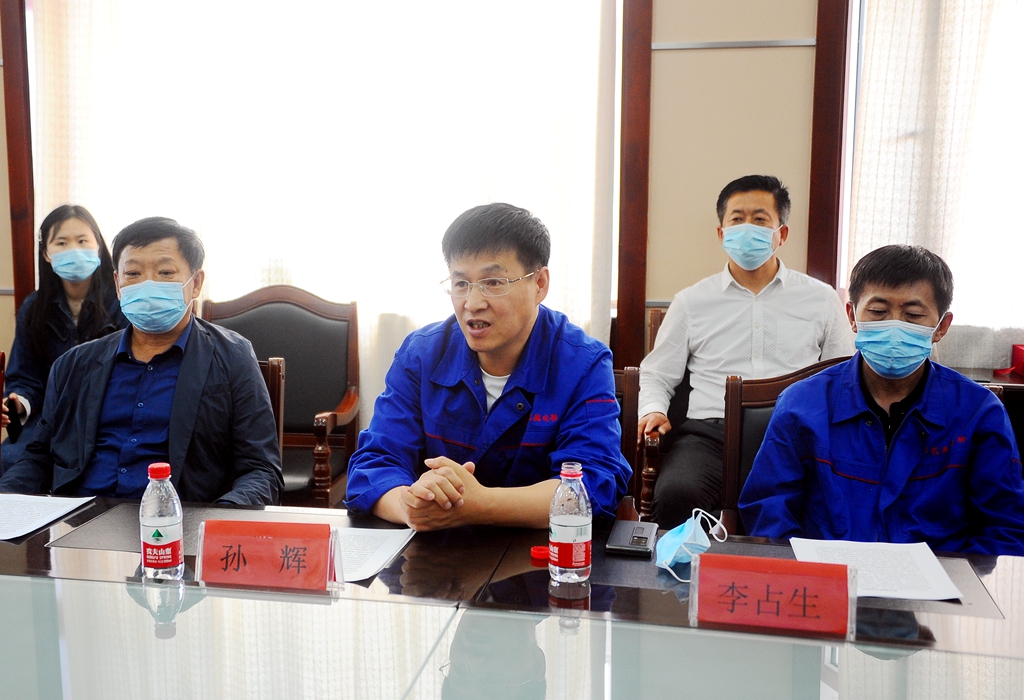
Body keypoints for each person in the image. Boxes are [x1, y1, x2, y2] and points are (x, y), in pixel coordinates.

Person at [345, 203, 631, 530]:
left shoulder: (583, 363)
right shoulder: (422, 354)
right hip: (435, 549)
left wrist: (481, 505)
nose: (472, 303)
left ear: (539, 284)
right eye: (460, 284)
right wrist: (411, 507)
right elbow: (374, 464)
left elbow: (592, 484)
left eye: (493, 282)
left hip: (540, 552)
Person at [739, 245, 1024, 555]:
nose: (894, 327)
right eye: (878, 312)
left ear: (941, 326)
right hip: (828, 576)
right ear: (852, 316)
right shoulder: (800, 405)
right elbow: (769, 514)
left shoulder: (979, 413)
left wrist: (960, 578)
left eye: (913, 315)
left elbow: (1005, 527)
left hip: (941, 581)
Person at [0, 216, 283, 505]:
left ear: (196, 283)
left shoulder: (232, 356)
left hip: (181, 520)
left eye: (165, 272)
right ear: (117, 283)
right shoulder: (74, 364)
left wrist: (214, 522)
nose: (148, 284)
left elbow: (261, 470)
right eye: (133, 273)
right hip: (79, 518)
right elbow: (38, 459)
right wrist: (6, 505)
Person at [638, 175, 854, 529]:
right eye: (737, 219)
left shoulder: (821, 299)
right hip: (711, 435)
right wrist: (653, 410)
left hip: (795, 433)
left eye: (760, 219)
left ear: (781, 234)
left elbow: (842, 375)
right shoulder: (692, 301)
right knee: (676, 494)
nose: (747, 228)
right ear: (721, 233)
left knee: (827, 505)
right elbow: (656, 373)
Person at [1, 205, 127, 473]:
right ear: (46, 253)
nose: (74, 250)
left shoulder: (122, 303)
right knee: (11, 462)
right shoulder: (34, 308)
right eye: (61, 243)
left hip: (108, 417)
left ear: (98, 247)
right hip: (50, 419)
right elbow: (25, 378)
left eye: (82, 241)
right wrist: (17, 403)